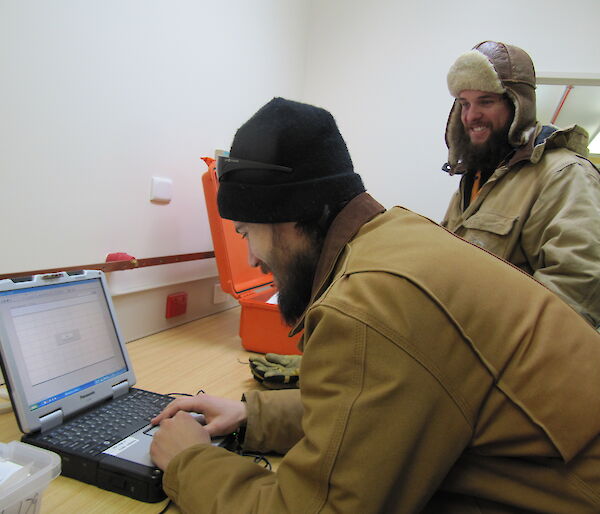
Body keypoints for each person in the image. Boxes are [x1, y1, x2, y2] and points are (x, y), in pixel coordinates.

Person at [150, 97, 600, 513]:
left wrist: (188, 461)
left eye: (247, 231)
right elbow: (374, 414)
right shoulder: (395, 237)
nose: (251, 259)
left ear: (289, 219)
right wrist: (254, 415)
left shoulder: (367, 305)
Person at [441, 40, 600, 330]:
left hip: (516, 365)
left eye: (485, 102)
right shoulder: (474, 179)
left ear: (518, 104)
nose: (471, 115)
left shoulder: (565, 175)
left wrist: (500, 352)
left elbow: (578, 287)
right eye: (464, 104)